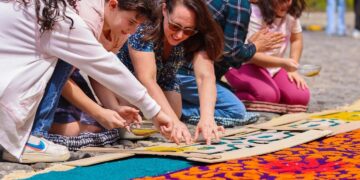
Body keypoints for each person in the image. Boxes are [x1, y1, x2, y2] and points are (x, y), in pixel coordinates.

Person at [0, 0, 173, 163]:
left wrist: (112, 108)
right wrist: (154, 111)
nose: (133, 30)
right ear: (113, 5)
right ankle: (32, 137)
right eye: (131, 22)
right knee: (86, 126)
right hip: (7, 106)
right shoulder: (62, 18)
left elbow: (100, 69)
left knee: (98, 125)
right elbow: (104, 66)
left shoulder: (33, 6)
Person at [110, 0, 225, 145]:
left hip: (165, 79)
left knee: (172, 115)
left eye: (188, 31)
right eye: (174, 26)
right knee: (149, 119)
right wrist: (175, 122)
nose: (179, 35)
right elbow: (147, 79)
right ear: (164, 10)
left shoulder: (198, 34)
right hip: (129, 80)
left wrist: (207, 118)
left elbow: (205, 76)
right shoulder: (145, 27)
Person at [176, 0, 285, 128]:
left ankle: (171, 100)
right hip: (188, 73)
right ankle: (175, 109)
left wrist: (250, 46)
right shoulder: (239, 3)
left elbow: (224, 49)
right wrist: (254, 47)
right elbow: (231, 53)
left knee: (230, 93)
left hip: (173, 67)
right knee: (236, 111)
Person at [225, 0, 310, 114]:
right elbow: (250, 54)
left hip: (273, 68)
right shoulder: (253, 13)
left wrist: (292, 68)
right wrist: (282, 63)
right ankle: (226, 95)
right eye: (282, 1)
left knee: (300, 97)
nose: (287, 4)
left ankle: (272, 95)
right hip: (243, 65)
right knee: (267, 96)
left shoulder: (291, 13)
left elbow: (296, 39)